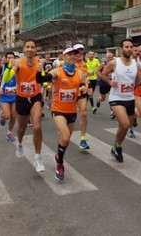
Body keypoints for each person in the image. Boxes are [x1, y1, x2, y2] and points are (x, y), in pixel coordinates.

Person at [36, 46, 87, 181]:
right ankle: (60, 163)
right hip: (58, 110)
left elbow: (84, 87)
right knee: (64, 137)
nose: (72, 57)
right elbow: (41, 80)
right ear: (63, 57)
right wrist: (39, 72)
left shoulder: (80, 74)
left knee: (66, 140)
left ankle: (59, 156)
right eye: (69, 55)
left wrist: (85, 90)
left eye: (74, 55)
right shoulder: (57, 72)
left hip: (72, 111)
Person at [100, 38, 141, 162]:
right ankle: (118, 148)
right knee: (124, 124)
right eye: (126, 47)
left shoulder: (136, 64)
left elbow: (137, 83)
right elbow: (103, 74)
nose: (129, 49)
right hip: (116, 98)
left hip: (130, 98)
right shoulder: (114, 63)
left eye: (131, 47)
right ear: (121, 49)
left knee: (125, 126)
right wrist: (109, 82)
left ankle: (116, 146)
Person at [11, 39, 46, 172]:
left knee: (36, 126)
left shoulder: (40, 62)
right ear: (24, 49)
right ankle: (19, 143)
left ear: (36, 49)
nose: (30, 49)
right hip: (21, 98)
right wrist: (12, 68)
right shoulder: (19, 62)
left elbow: (43, 78)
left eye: (32, 47)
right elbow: (9, 75)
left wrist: (41, 72)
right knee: (22, 128)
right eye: (27, 47)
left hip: (35, 96)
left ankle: (38, 157)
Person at [73, 43, 91, 150]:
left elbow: (85, 78)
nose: (79, 53)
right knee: (70, 115)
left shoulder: (85, 64)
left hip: (82, 91)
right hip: (69, 91)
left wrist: (87, 85)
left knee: (83, 113)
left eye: (81, 50)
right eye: (77, 51)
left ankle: (83, 139)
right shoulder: (65, 63)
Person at [0, 52, 18, 142]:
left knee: (14, 116)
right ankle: (3, 116)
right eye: (9, 57)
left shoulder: (18, 68)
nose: (10, 59)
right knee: (7, 116)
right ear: (6, 59)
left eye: (12, 57)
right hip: (4, 96)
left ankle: (9, 133)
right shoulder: (2, 68)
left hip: (15, 95)